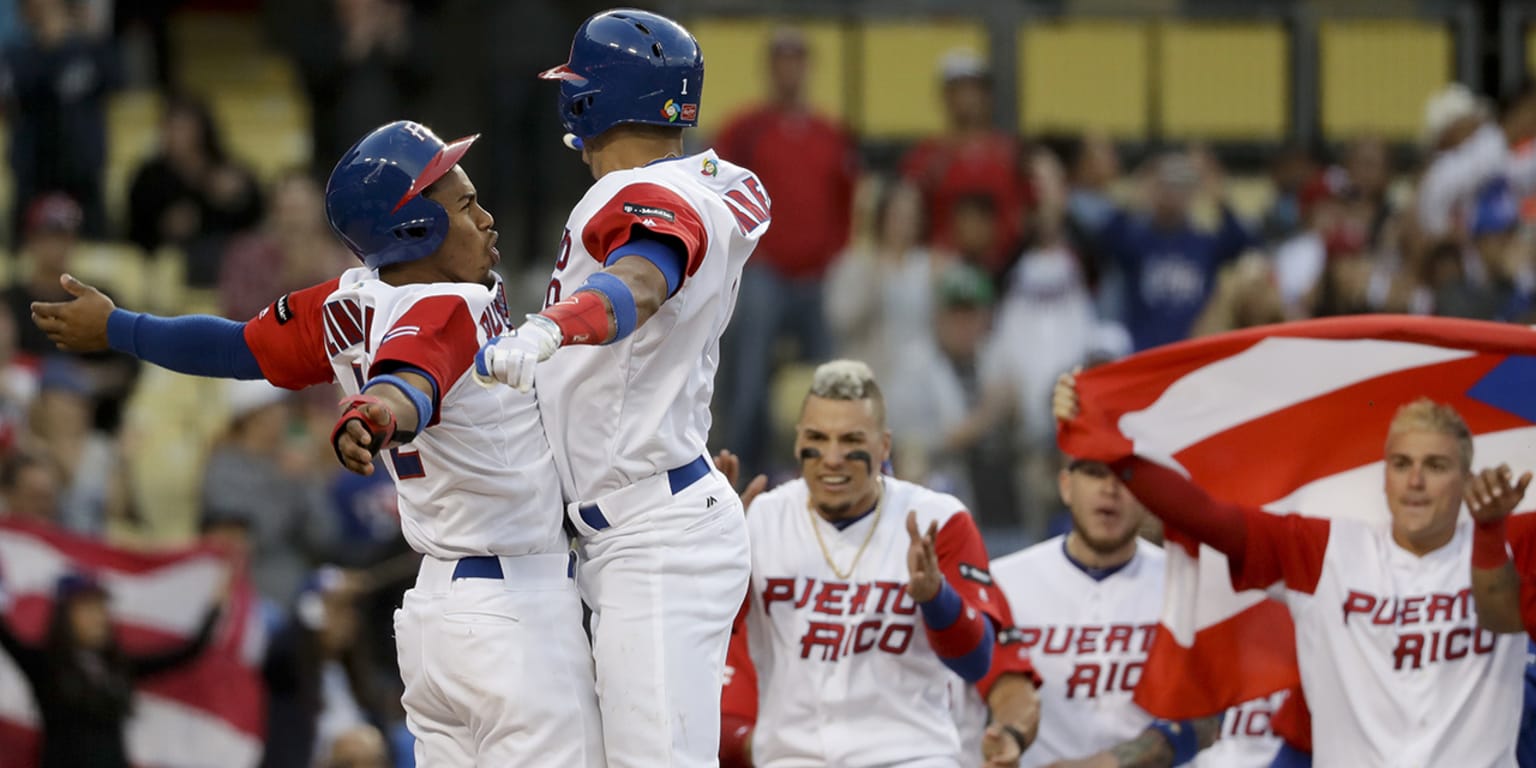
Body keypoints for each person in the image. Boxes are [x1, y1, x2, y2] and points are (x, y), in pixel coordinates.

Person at [29, 120, 603, 767]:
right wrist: (376, 414)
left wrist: (121, 327)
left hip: (440, 619)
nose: (489, 217)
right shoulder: (448, 307)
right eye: (466, 205)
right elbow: (408, 381)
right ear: (419, 228)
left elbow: (236, 347)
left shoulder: (348, 302)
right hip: (514, 617)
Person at [475, 10, 764, 766]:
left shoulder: (638, 191)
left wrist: (550, 327)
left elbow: (642, 277)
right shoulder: (707, 179)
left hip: (652, 534)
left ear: (592, 101)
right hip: (634, 522)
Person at [1055, 373, 1527, 766]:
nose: (1416, 481)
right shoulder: (1325, 548)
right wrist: (1108, 446)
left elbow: (1503, 616)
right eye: (1401, 464)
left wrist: (1490, 534)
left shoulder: (1511, 540)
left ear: (1466, 477)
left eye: (1435, 465)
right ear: (1383, 476)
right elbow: (1208, 517)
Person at [719, 360, 1041, 767]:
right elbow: (710, 638)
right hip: (793, 755)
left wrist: (936, 599)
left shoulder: (938, 519)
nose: (832, 457)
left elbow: (976, 660)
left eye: (851, 439)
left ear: (883, 446)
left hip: (910, 754)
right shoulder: (761, 518)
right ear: (799, 441)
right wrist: (715, 552)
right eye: (818, 437)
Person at [991, 455, 1284, 767]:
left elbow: (1213, 714)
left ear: (1150, 498)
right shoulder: (1002, 583)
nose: (1110, 488)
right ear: (1066, 487)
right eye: (1094, 474)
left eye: (1127, 477)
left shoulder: (1187, 585)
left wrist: (1108, 764)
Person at [714, 26, 857, 476]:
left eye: (797, 60)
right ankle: (738, 467)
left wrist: (832, 252)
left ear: (807, 67)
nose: (789, 70)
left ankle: (824, 466)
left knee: (828, 377)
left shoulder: (828, 133)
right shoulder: (746, 129)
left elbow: (846, 200)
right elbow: (715, 188)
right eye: (782, 60)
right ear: (770, 68)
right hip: (765, 271)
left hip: (816, 275)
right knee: (750, 379)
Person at [0, 569, 225, 768]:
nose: (98, 617)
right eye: (87, 608)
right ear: (65, 616)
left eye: (101, 609)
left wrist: (218, 598)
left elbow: (188, 652)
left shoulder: (119, 666)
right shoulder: (44, 663)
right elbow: (5, 635)